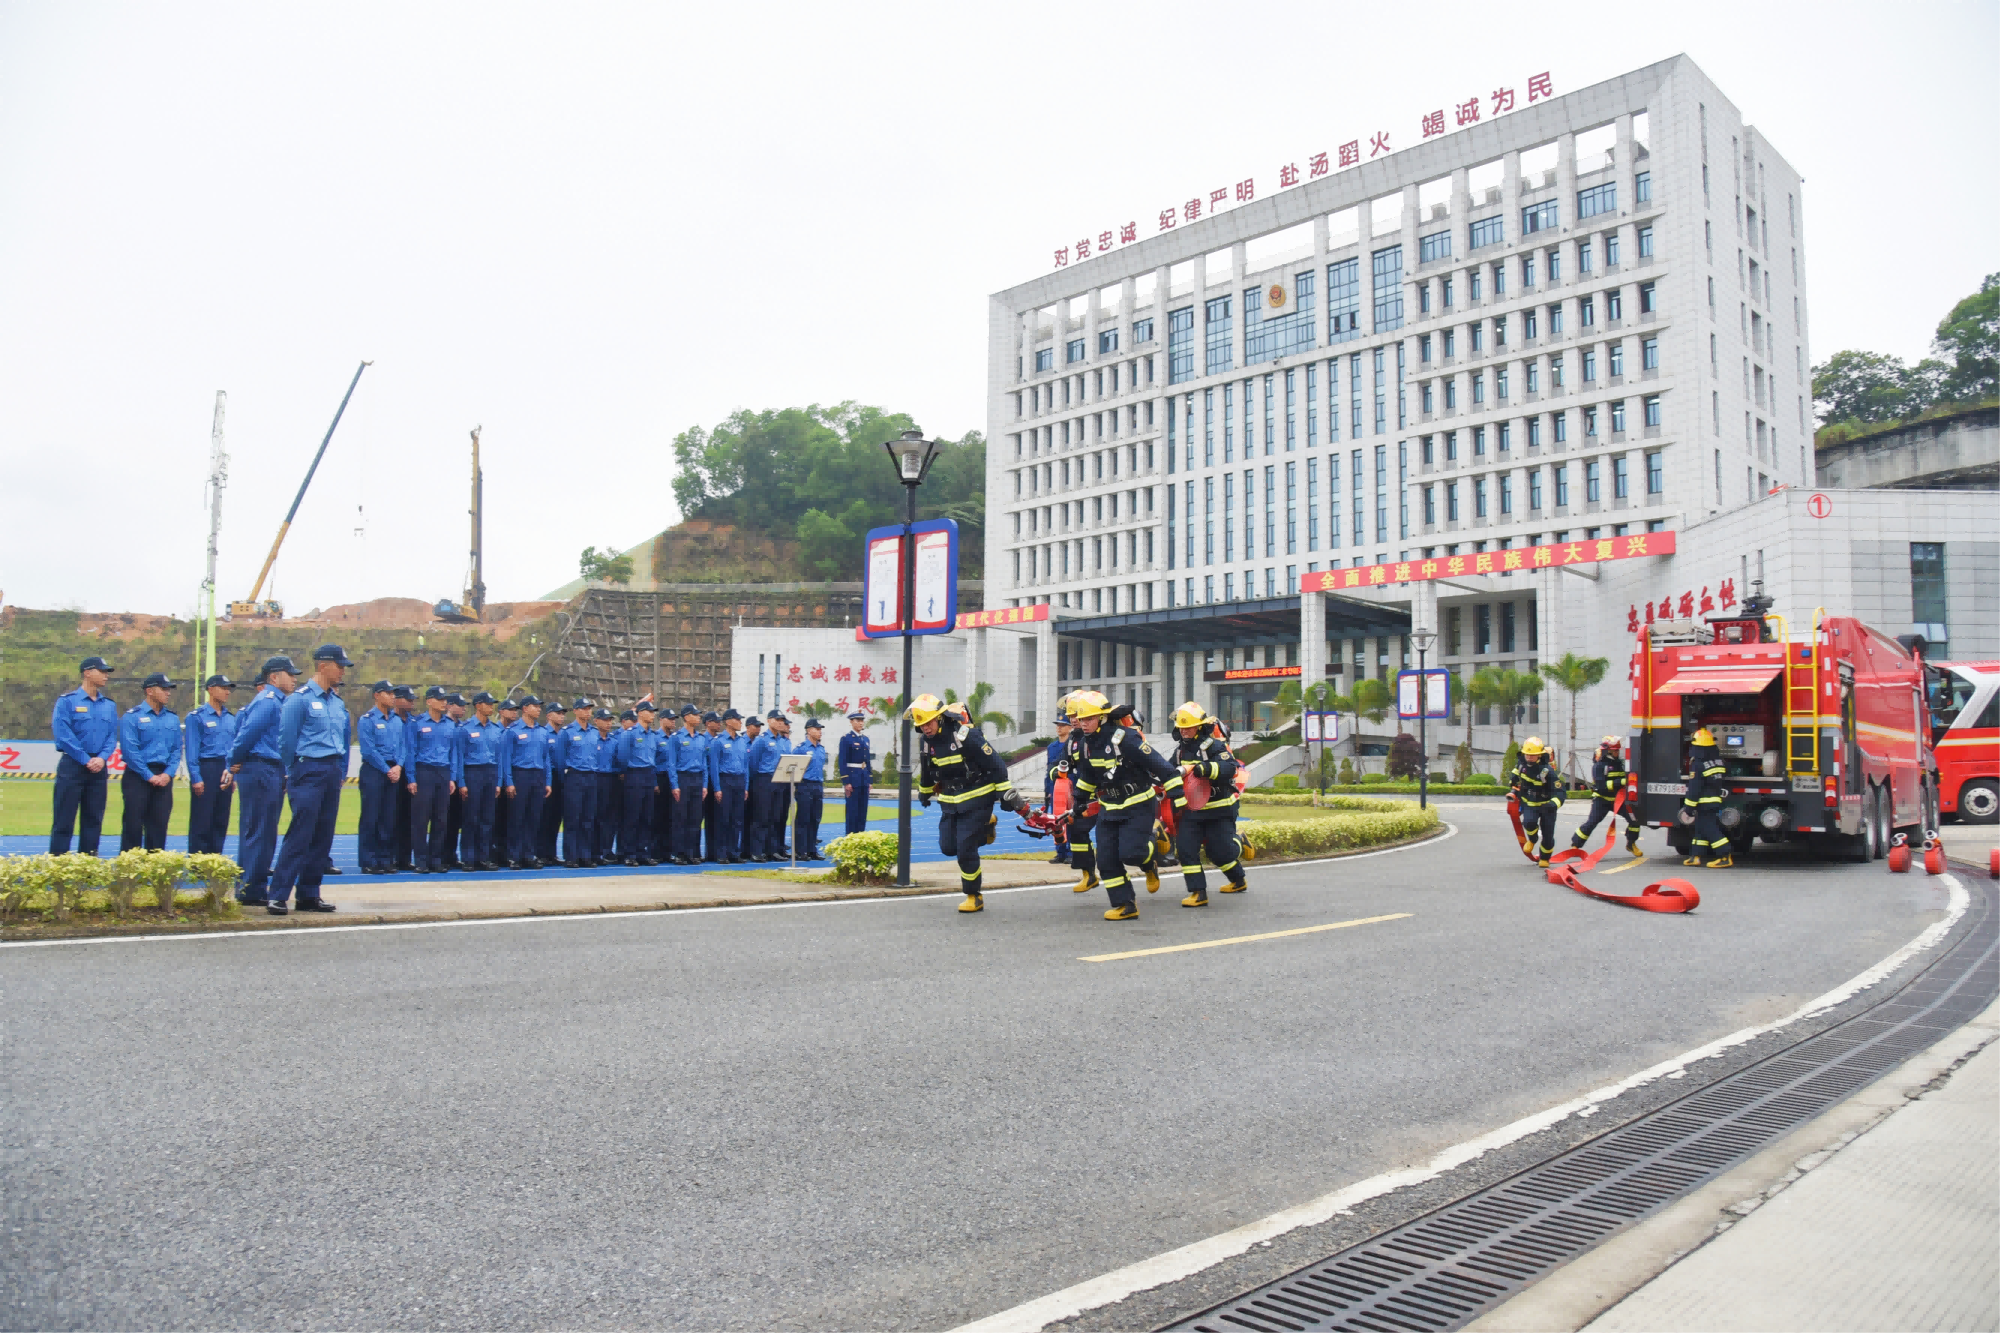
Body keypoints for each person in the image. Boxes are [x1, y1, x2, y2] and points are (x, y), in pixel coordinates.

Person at [1068, 691, 1182, 921]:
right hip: (1109, 807)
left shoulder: (1125, 738)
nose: (1084, 724)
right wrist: (1079, 800)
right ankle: (1125, 905)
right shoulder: (1085, 744)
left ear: (1102, 718)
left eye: (1088, 719)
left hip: (1138, 804)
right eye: (1081, 720)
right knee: (1106, 860)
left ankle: (1151, 855)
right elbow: (1089, 775)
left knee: (1131, 854)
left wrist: (1177, 794)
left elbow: (1159, 765)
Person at [265, 644, 353, 914]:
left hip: (331, 770)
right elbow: (286, 741)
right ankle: (278, 893)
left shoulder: (337, 703)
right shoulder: (299, 699)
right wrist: (296, 770)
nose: (342, 671)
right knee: (300, 834)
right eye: (339, 666)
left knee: (323, 836)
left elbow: (343, 740)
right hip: (307, 769)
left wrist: (339, 769)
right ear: (323, 665)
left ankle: (309, 893)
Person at [910, 693, 1017, 913]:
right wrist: (924, 791)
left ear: (939, 718)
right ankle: (987, 825)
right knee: (948, 847)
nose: (925, 728)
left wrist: (1005, 794)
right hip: (950, 801)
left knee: (965, 848)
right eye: (920, 725)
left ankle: (973, 895)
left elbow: (996, 764)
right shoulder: (925, 742)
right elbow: (928, 770)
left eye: (928, 723)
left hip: (979, 796)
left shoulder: (965, 735)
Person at [226, 656, 301, 905]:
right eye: (289, 674)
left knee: (265, 831)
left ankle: (253, 885)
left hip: (270, 769)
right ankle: (249, 889)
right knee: (258, 831)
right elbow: (246, 734)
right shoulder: (268, 702)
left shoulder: (279, 701)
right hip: (260, 768)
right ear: (274, 677)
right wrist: (234, 761)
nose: (294, 679)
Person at [1170, 701, 1247, 907]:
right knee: (1185, 848)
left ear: (1200, 727)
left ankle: (1238, 869)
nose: (1184, 731)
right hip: (1192, 810)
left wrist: (1204, 769)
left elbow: (1230, 767)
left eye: (1189, 726)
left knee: (1219, 852)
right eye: (1181, 727)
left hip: (1219, 809)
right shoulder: (1179, 752)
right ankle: (1198, 892)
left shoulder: (1214, 746)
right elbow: (1168, 771)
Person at [49, 655, 120, 855]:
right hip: (73, 766)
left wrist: (102, 758)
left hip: (98, 767)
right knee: (64, 820)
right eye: (102, 671)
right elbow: (63, 736)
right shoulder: (67, 702)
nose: (106, 675)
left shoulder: (109, 705)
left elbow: (111, 737)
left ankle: (87, 870)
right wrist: (85, 759)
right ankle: (58, 869)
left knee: (93, 821)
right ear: (87, 672)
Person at [118, 672, 183, 851]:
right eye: (164, 689)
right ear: (149, 691)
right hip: (138, 776)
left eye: (169, 689)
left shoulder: (172, 718)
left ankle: (155, 870)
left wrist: (168, 774)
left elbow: (177, 749)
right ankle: (130, 871)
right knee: (133, 824)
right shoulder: (132, 717)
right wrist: (148, 775)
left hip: (163, 776)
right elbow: (130, 751)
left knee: (159, 825)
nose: (168, 693)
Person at [403, 686, 460, 874]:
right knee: (421, 819)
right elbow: (410, 752)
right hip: (424, 771)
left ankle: (436, 859)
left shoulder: (450, 725)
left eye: (445, 699)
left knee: (440, 819)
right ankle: (420, 860)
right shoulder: (417, 723)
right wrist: (411, 777)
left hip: (443, 772)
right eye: (440, 699)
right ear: (429, 701)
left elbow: (453, 753)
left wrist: (452, 777)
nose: (444, 703)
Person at [183, 674, 239, 855]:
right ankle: (198, 861)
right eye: (223, 688)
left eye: (228, 688)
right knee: (202, 818)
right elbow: (192, 750)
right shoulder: (197, 717)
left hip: (225, 769)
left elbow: (233, 748)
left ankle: (215, 858)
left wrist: (233, 775)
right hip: (206, 768)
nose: (227, 692)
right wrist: (196, 777)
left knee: (221, 818)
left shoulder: (232, 718)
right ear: (210, 689)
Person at [356, 680, 404, 873]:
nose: (393, 697)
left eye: (394, 694)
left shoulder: (396, 720)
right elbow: (368, 750)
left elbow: (403, 746)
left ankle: (386, 859)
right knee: (370, 817)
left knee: (388, 817)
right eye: (388, 693)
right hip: (374, 771)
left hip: (393, 770)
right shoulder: (367, 719)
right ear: (377, 695)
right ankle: (369, 861)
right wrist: (387, 769)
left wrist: (399, 766)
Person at [498, 695, 553, 868]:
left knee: (533, 817)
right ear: (525, 708)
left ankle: (529, 854)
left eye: (539, 706)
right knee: (517, 817)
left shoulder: (542, 732)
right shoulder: (513, 731)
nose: (538, 709)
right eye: (535, 706)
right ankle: (514, 855)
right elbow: (505, 758)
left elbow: (546, 759)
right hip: (520, 775)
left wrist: (548, 781)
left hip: (537, 776)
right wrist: (509, 781)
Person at [1056, 694, 1101, 894]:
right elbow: (1060, 764)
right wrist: (1058, 773)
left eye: (1077, 714)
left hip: (1109, 795)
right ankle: (1088, 874)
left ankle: (1148, 861)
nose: (1073, 719)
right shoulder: (1072, 739)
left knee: (1121, 841)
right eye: (1071, 715)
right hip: (1085, 797)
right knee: (1077, 831)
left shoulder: (1100, 736)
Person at [455, 692, 505, 870]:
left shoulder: (495, 729)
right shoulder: (465, 728)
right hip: (472, 772)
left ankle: (483, 857)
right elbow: (459, 757)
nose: (491, 707)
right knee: (471, 817)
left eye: (492, 704)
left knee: (487, 818)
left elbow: (499, 758)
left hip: (490, 773)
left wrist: (498, 781)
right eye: (488, 704)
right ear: (478, 705)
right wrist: (461, 782)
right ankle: (468, 858)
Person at [1571, 735, 1641, 856]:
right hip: (1602, 800)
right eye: (1615, 751)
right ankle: (1575, 846)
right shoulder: (1599, 766)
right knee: (1591, 823)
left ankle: (1631, 843)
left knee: (1634, 819)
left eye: (1618, 750)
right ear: (1608, 751)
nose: (1617, 753)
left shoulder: (1620, 763)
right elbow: (1602, 786)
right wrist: (1622, 782)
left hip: (1618, 800)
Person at [554, 700, 601, 866]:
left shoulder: (594, 732)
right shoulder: (567, 732)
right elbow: (559, 760)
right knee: (573, 818)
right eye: (584, 709)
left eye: (589, 709)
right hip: (574, 776)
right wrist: (566, 779)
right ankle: (572, 856)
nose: (588, 712)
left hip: (591, 776)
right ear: (575, 711)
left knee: (588, 818)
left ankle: (585, 855)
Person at [615, 701, 661, 865]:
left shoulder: (652, 736)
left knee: (646, 817)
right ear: (640, 713)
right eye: (649, 711)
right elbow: (622, 758)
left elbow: (653, 760)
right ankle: (629, 853)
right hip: (634, 775)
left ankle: (643, 852)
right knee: (632, 817)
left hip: (648, 775)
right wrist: (626, 775)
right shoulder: (630, 734)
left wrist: (654, 780)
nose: (652, 714)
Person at [1508, 737, 1565, 868]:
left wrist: (1553, 804)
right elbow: (1516, 775)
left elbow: (1560, 792)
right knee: (1528, 823)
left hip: (1547, 806)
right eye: (1527, 754)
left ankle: (1545, 858)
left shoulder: (1547, 771)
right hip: (1529, 803)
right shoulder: (1521, 764)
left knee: (1548, 835)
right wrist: (1513, 783)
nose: (1529, 757)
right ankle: (1532, 839)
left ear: (1539, 755)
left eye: (1532, 755)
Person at [1681, 728, 1733, 869]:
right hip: (1714, 801)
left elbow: (1694, 788)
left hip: (1704, 803)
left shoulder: (1698, 764)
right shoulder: (1718, 762)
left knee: (1709, 828)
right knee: (1700, 828)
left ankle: (1725, 855)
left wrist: (1689, 808)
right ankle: (1695, 856)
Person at [665, 704, 709, 865]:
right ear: (686, 717)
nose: (698, 717)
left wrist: (704, 784)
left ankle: (691, 852)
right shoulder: (676, 738)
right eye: (695, 715)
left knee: (695, 818)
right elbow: (671, 763)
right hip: (683, 778)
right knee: (680, 818)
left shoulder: (701, 738)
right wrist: (675, 785)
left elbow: (704, 763)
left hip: (697, 779)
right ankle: (679, 853)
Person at [712, 709, 750, 863]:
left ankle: (734, 852)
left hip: (739, 781)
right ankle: (721, 853)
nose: (741, 722)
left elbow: (745, 765)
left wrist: (746, 786)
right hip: (725, 780)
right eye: (738, 719)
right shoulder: (718, 741)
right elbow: (714, 766)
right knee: (724, 819)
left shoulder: (742, 741)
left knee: (737, 819)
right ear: (728, 721)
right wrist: (717, 788)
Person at [745, 713, 783, 861]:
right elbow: (753, 763)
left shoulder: (781, 740)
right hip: (764, 780)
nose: (780, 723)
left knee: (775, 817)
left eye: (781, 721)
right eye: (777, 720)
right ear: (768, 721)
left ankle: (771, 850)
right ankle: (757, 851)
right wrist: (758, 783)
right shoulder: (761, 740)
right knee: (761, 817)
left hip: (779, 780)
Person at [538, 700, 570, 864]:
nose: (561, 716)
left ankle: (551, 853)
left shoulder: (564, 734)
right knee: (545, 817)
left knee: (557, 817)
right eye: (558, 713)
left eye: (563, 713)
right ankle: (541, 852)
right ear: (549, 715)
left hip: (562, 780)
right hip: (548, 780)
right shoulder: (544, 733)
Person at [390, 684, 418, 870]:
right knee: (390, 816)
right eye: (407, 699)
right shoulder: (389, 720)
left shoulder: (414, 722)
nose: (411, 702)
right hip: (393, 771)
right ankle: (389, 856)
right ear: (396, 699)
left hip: (411, 774)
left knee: (409, 817)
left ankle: (405, 858)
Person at [440, 693, 470, 869]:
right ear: (450, 706)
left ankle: (451, 854)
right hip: (446, 778)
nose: (463, 708)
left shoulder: (462, 727)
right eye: (460, 705)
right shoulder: (445, 725)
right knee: (443, 819)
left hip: (462, 779)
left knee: (456, 820)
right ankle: (440, 855)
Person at [490, 698, 521, 859]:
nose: (514, 712)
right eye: (510, 709)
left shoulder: (517, 730)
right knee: (494, 816)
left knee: (510, 817)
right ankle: (493, 850)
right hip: (495, 780)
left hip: (512, 779)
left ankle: (506, 850)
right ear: (501, 711)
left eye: (516, 709)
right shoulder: (494, 730)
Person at [793, 717, 828, 859]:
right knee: (803, 818)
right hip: (804, 784)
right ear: (808, 730)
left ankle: (811, 848)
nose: (820, 732)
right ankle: (800, 850)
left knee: (815, 818)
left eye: (820, 729)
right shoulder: (800, 749)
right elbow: (793, 768)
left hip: (817, 785)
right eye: (817, 729)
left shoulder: (821, 749)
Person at [590, 708, 620, 863]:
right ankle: (594, 851)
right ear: (596, 721)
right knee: (595, 816)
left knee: (610, 817)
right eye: (605, 720)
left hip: (611, 779)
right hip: (596, 778)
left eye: (610, 720)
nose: (608, 723)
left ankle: (607, 850)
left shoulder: (614, 741)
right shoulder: (591, 738)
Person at [1043, 709, 1073, 865]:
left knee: (1070, 820)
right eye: (1058, 725)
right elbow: (1049, 769)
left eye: (1063, 725)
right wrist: (1048, 790)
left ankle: (1070, 852)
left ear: (1070, 727)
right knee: (1056, 822)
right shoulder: (1052, 746)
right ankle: (1060, 852)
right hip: (1055, 788)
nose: (1059, 728)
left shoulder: (1074, 745)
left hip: (1070, 787)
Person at [838, 709, 873, 835]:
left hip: (863, 778)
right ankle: (851, 838)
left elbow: (868, 761)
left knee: (862, 812)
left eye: (862, 720)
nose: (861, 723)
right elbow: (842, 761)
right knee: (852, 812)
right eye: (858, 720)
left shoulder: (866, 739)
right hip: (853, 778)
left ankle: (860, 837)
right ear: (851, 722)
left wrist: (870, 780)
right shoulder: (846, 739)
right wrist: (846, 781)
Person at [701, 711, 726, 860]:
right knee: (701, 818)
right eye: (716, 721)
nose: (719, 724)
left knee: (716, 818)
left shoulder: (719, 739)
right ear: (708, 723)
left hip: (716, 782)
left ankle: (713, 852)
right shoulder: (702, 739)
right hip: (704, 783)